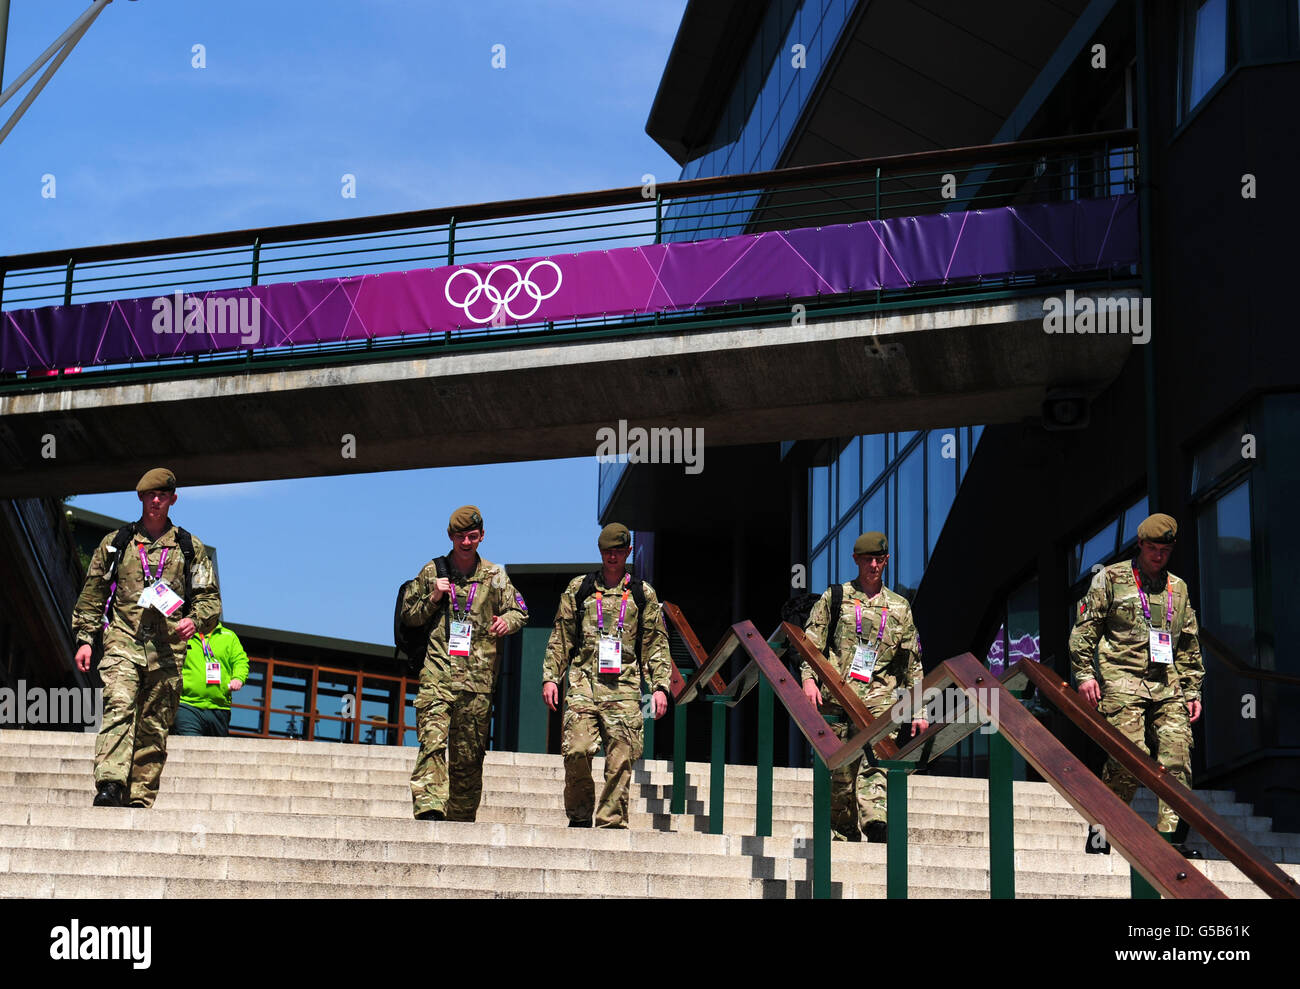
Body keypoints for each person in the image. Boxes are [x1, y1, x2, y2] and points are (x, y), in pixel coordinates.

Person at [71, 468, 222, 807]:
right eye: (150, 495)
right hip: (123, 641)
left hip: (168, 650)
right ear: (140, 498)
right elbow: (93, 593)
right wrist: (85, 638)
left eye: (163, 495)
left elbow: (211, 598)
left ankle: (139, 797)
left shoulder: (188, 548)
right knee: (119, 707)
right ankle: (109, 783)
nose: (156, 501)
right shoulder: (117, 543)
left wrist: (194, 621)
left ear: (172, 499)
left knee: (154, 726)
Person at [1070, 513, 1204, 857]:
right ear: (1141, 546)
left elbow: (1188, 643)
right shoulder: (1111, 579)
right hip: (1121, 681)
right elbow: (1085, 631)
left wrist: (1192, 690)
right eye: (1152, 548)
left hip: (1167, 683)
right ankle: (1103, 829)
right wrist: (1085, 675)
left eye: (1165, 549)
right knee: (1130, 757)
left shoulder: (1179, 588)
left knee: (1177, 757)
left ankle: (1169, 842)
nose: (1158, 555)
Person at [401, 505, 527, 822]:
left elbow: (520, 611)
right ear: (451, 536)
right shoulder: (432, 571)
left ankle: (460, 817)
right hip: (438, 675)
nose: (466, 542)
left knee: (468, 757)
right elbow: (408, 616)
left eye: (472, 536)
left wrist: (506, 623)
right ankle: (429, 807)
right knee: (432, 741)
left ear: (482, 536)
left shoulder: (495, 576)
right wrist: (432, 598)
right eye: (461, 537)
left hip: (478, 681)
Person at [800, 532, 928, 842]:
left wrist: (921, 709)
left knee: (878, 758)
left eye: (879, 559)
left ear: (886, 561)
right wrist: (808, 680)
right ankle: (846, 831)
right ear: (856, 560)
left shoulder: (899, 607)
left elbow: (912, 663)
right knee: (840, 778)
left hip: (880, 696)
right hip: (838, 695)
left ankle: (876, 819)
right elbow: (810, 644)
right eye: (867, 559)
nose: (873, 565)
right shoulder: (836, 597)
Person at [542, 523, 671, 829]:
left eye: (618, 551)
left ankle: (611, 821)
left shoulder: (642, 594)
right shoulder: (580, 589)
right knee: (575, 750)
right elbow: (561, 636)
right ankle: (580, 815)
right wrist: (551, 676)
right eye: (606, 552)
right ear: (600, 553)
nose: (612, 557)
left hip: (624, 686)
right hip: (583, 682)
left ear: (628, 552)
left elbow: (656, 643)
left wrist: (660, 687)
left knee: (622, 757)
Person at [173, 623, 249, 736]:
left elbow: (241, 661)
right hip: (187, 704)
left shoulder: (229, 636)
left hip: (220, 708)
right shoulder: (183, 635)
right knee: (192, 746)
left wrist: (238, 678)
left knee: (216, 751)